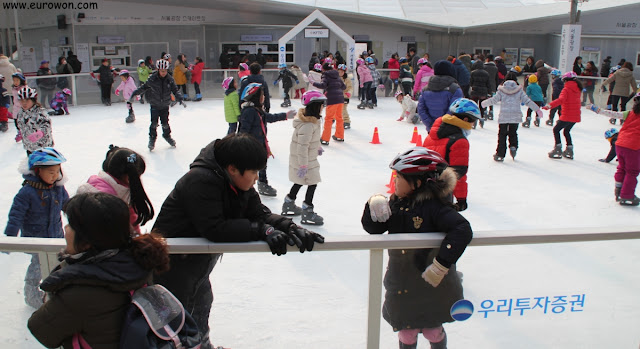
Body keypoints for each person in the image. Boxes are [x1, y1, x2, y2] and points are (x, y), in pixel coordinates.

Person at [152, 133, 324, 348]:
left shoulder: (233, 181)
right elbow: (215, 229)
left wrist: (289, 227)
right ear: (233, 168)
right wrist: (262, 230)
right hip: (172, 268)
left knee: (201, 309)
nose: (255, 179)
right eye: (253, 172)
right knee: (177, 324)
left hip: (196, 264)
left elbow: (259, 213)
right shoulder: (199, 181)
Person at [361, 147, 472, 349]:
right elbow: (374, 229)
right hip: (403, 283)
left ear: (418, 183)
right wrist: (372, 207)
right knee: (407, 332)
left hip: (433, 283)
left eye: (399, 177)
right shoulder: (396, 203)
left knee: (433, 330)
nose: (394, 181)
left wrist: (441, 265)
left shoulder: (436, 208)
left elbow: (461, 229)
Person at [27, 192, 170, 347]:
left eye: (71, 225)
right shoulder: (137, 262)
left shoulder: (78, 293)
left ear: (87, 242)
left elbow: (40, 330)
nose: (65, 228)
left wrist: (66, 270)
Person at [5, 147, 69, 308]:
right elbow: (16, 215)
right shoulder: (27, 193)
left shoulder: (58, 189)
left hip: (56, 236)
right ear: (38, 171)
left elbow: (68, 206)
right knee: (37, 268)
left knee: (59, 264)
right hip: (36, 240)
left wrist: (79, 219)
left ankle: (57, 288)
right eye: (50, 172)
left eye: (57, 172)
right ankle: (32, 295)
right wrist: (10, 237)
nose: (55, 176)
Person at [76, 144, 154, 234]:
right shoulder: (102, 197)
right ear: (128, 177)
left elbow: (131, 216)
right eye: (136, 176)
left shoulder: (123, 190)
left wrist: (136, 237)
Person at [423, 98, 481, 211]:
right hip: (443, 191)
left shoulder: (433, 133)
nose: (474, 124)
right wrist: (461, 198)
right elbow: (457, 173)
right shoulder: (460, 141)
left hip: (424, 188)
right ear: (465, 119)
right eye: (473, 121)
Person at [238, 83, 295, 196]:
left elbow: (270, 117)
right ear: (254, 96)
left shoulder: (258, 111)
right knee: (251, 168)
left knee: (262, 165)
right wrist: (244, 146)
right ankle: (246, 186)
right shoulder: (249, 112)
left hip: (260, 144)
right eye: (262, 94)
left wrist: (285, 116)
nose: (264, 97)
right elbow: (243, 131)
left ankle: (262, 184)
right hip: (252, 147)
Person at [587, 93, 640, 206]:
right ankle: (626, 195)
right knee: (632, 171)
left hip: (620, 144)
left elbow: (613, 114)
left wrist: (596, 109)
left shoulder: (629, 113)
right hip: (633, 146)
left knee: (622, 168)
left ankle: (618, 191)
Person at [282, 90, 326, 225]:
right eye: (321, 105)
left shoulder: (314, 122)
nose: (323, 107)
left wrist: (317, 146)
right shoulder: (308, 125)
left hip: (308, 159)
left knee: (300, 181)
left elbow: (313, 139)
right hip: (304, 161)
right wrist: (303, 165)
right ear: (315, 106)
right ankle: (307, 211)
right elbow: (301, 147)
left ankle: (289, 202)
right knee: (312, 182)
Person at [130, 59, 184, 151]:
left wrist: (179, 97)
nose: (164, 73)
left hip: (165, 105)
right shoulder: (153, 78)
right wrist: (135, 93)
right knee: (154, 123)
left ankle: (167, 136)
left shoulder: (169, 79)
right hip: (154, 104)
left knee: (165, 123)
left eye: (165, 71)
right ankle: (152, 139)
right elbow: (144, 87)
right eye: (162, 71)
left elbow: (175, 90)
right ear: (158, 70)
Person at [482, 80, 543, 161]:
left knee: (502, 135)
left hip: (504, 116)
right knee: (513, 133)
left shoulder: (501, 91)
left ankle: (500, 154)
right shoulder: (519, 92)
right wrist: (537, 110)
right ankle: (513, 147)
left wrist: (483, 104)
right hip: (515, 117)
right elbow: (528, 101)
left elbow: (494, 100)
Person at [543, 71, 582, 160]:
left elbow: (561, 100)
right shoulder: (578, 89)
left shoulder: (566, 89)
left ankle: (558, 148)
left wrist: (549, 105)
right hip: (575, 115)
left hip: (567, 114)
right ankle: (569, 148)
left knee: (556, 130)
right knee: (566, 131)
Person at [417, 60, 463, 132]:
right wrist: (443, 124)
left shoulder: (426, 89)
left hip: (432, 130)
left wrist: (431, 124)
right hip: (449, 130)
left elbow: (421, 109)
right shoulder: (455, 89)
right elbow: (455, 109)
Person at [15, 86, 54, 155]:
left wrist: (39, 133)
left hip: (43, 148)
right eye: (22, 101)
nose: (24, 103)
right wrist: (21, 133)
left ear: (33, 100)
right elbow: (21, 124)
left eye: (27, 100)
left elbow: (46, 126)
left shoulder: (40, 112)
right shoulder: (21, 113)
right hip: (30, 148)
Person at [314, 63, 346, 144]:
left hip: (332, 99)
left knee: (329, 119)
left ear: (323, 69)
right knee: (339, 117)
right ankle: (339, 136)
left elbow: (323, 85)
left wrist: (313, 82)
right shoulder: (337, 75)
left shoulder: (325, 75)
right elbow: (344, 87)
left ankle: (325, 138)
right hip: (340, 99)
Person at [469, 60, 490, 125]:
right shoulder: (486, 73)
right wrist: (489, 92)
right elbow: (488, 84)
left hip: (475, 91)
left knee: (474, 105)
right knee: (482, 106)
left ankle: (474, 119)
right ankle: (481, 118)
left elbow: (471, 82)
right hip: (483, 91)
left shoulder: (473, 73)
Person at [11, 72, 27, 141]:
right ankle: (19, 131)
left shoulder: (24, 89)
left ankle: (24, 132)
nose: (15, 82)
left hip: (23, 108)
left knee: (24, 121)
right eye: (14, 81)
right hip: (16, 108)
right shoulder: (14, 89)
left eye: (17, 80)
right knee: (16, 121)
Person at [483, 55, 499, 120]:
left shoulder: (484, 67)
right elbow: (497, 78)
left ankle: (484, 111)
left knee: (485, 99)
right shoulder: (495, 68)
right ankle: (491, 111)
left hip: (485, 85)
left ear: (487, 59)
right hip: (492, 85)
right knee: (491, 98)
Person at [337, 64, 353, 129]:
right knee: (335, 109)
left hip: (344, 96)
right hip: (336, 96)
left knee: (343, 109)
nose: (340, 73)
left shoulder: (347, 80)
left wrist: (348, 93)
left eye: (342, 72)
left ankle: (346, 121)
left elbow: (350, 88)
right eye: (339, 71)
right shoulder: (335, 78)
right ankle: (334, 118)